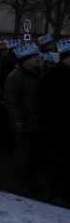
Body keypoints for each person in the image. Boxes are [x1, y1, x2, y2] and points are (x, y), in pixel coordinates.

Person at [3, 43, 43, 193]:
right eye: (35, 57)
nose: (38, 59)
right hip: (23, 123)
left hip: (35, 120)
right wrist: (18, 119)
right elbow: (11, 100)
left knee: (33, 155)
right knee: (22, 154)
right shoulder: (15, 76)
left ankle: (30, 181)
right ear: (26, 59)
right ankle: (17, 182)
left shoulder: (36, 74)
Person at [40, 39, 70, 206]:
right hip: (56, 126)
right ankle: (56, 193)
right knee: (57, 161)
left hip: (63, 125)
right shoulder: (54, 75)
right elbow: (48, 103)